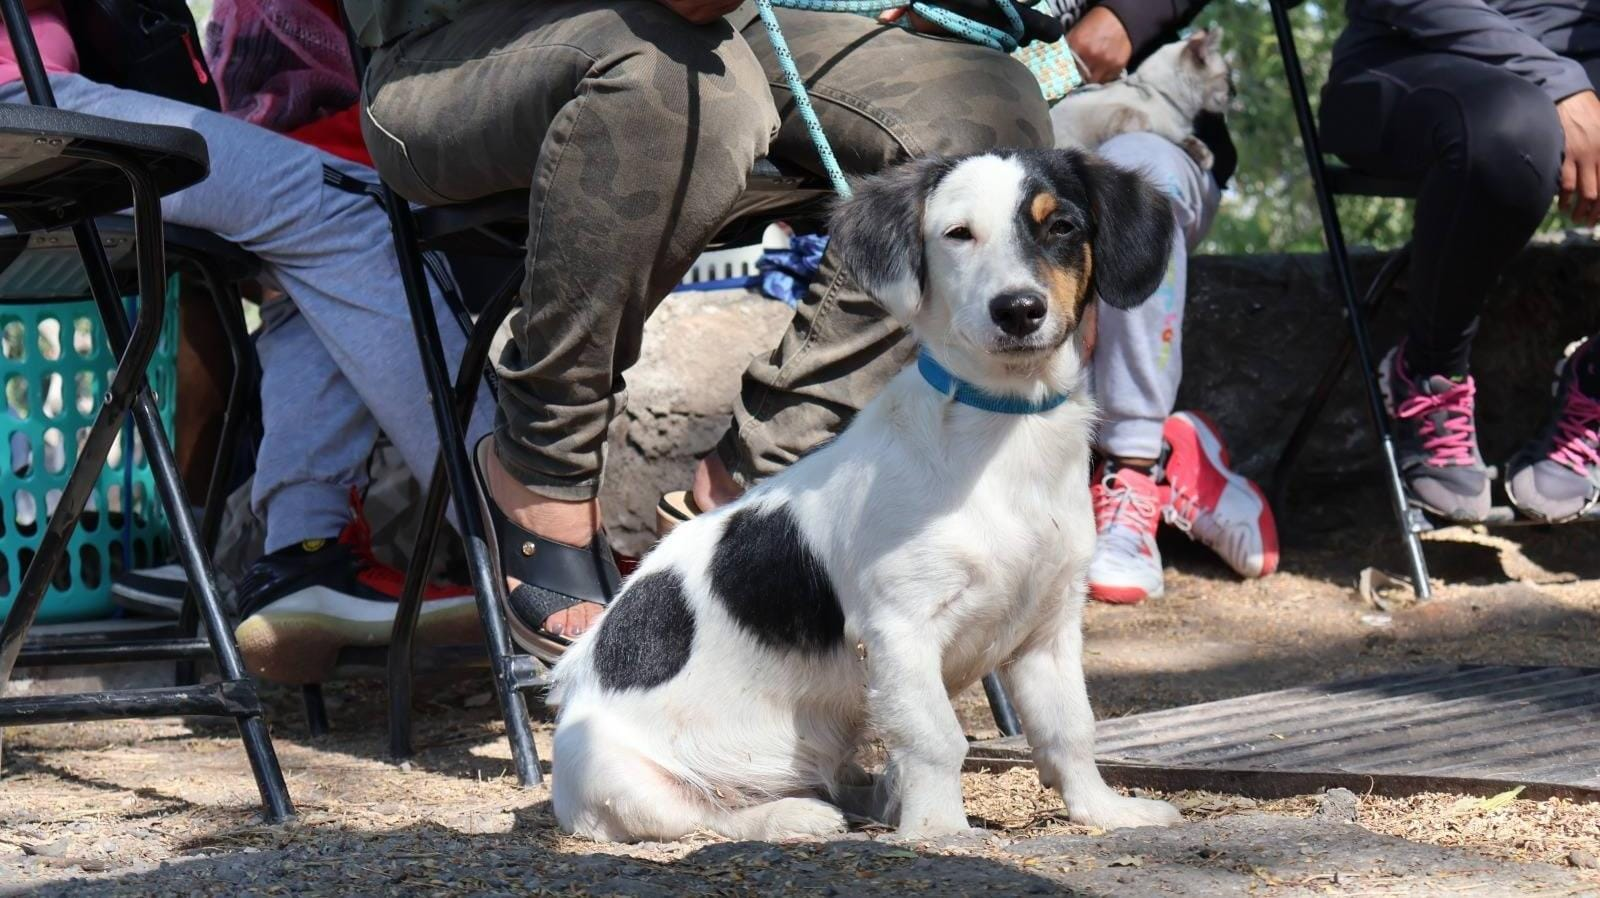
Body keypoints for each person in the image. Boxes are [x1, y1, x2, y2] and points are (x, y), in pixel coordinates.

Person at [349, 0, 1062, 659]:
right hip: (455, 47)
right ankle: (543, 458)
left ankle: (757, 481)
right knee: (679, 87)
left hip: (735, 24)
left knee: (982, 110)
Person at [0, 0, 494, 683]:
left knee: (308, 239)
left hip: (40, 104)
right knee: (355, 209)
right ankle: (525, 535)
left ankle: (306, 553)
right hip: (26, 111)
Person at [1323, 0, 1600, 524]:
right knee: (1514, 127)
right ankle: (1430, 371)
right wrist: (1560, 84)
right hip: (1414, 52)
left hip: (1585, 62)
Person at [1044, 0, 1278, 604]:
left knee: (1136, 181)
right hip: (999, 117)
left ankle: (1134, 467)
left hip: (1155, 137)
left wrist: (1126, 15)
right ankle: (1177, 464)